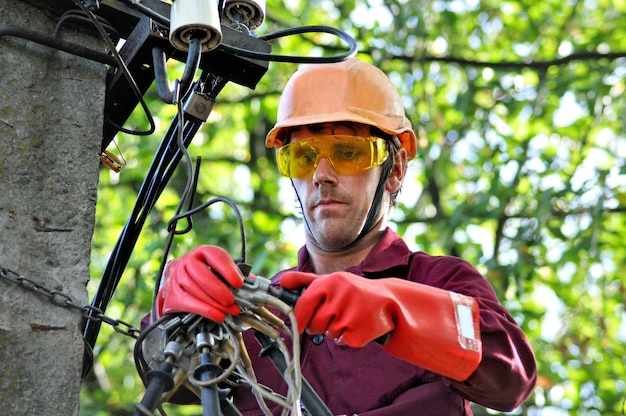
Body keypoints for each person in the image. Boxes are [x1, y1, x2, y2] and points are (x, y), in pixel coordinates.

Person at [154, 58, 537, 415]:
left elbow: (511, 377)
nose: (322, 175)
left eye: (347, 152)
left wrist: (397, 311)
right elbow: (171, 384)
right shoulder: (255, 315)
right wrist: (176, 308)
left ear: (395, 168)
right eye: (304, 157)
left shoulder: (440, 282)